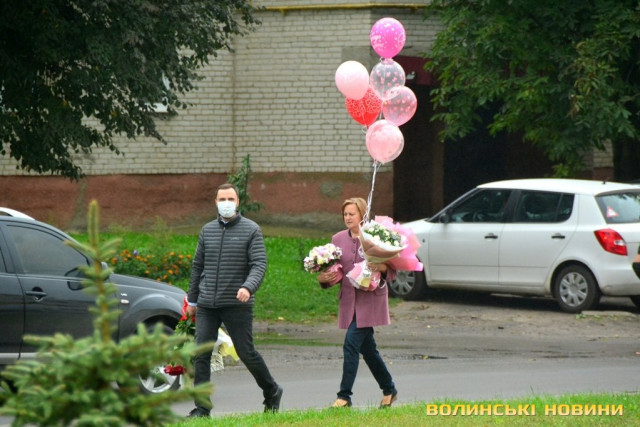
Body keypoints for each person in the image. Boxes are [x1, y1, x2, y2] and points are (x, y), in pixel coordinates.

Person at [185, 183, 282, 417]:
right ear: (215, 202)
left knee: (246, 352)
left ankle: (272, 390)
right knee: (201, 353)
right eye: (222, 199)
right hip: (207, 304)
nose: (226, 203)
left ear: (238, 202)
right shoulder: (207, 230)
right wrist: (193, 301)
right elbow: (197, 267)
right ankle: (202, 409)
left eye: (230, 199)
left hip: (237, 303)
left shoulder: (251, 230)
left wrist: (248, 287)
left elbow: (259, 264)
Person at [317, 197, 398, 408]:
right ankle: (389, 389)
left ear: (363, 215)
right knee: (368, 350)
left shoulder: (375, 237)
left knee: (351, 344)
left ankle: (344, 396)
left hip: (370, 303)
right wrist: (323, 278)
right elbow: (335, 271)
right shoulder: (337, 239)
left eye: (352, 214)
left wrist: (380, 267)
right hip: (349, 303)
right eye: (345, 214)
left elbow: (392, 271)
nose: (348, 217)